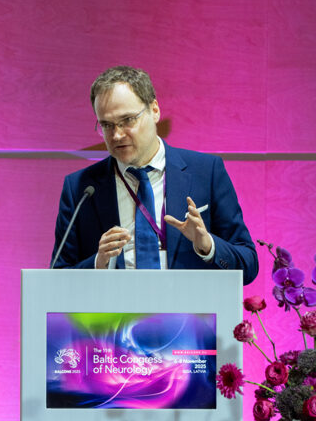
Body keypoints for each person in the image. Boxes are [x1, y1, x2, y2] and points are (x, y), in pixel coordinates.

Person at [51, 66, 258, 284]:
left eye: (127, 120)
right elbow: (56, 278)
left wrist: (208, 246)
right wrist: (98, 263)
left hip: (188, 305)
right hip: (113, 305)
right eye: (106, 125)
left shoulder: (206, 172)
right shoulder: (81, 188)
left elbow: (248, 265)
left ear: (155, 110)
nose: (117, 135)